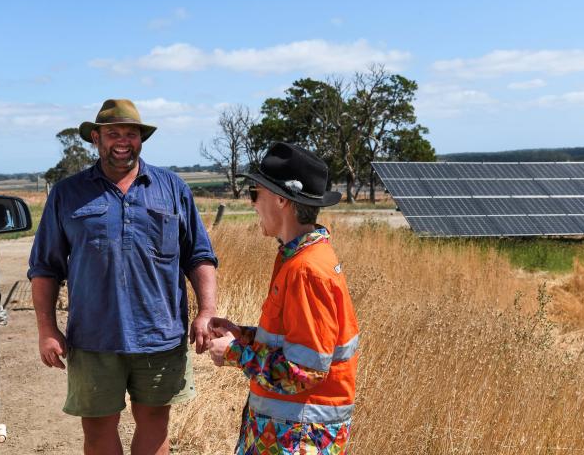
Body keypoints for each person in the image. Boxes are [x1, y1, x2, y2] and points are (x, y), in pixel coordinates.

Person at [28, 99, 218, 455]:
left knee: (155, 424)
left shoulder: (172, 187)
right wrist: (46, 328)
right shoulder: (68, 193)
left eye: (130, 133)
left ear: (141, 139)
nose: (122, 141)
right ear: (96, 138)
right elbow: (45, 267)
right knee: (98, 430)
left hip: (160, 335)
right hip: (93, 337)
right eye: (113, 133)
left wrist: (206, 312)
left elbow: (200, 255)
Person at [208, 142, 359, 455]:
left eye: (255, 194)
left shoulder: (307, 269)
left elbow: (304, 371)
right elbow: (295, 342)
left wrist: (234, 352)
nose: (252, 204)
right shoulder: (298, 259)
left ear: (280, 200)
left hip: (297, 438)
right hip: (286, 432)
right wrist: (245, 336)